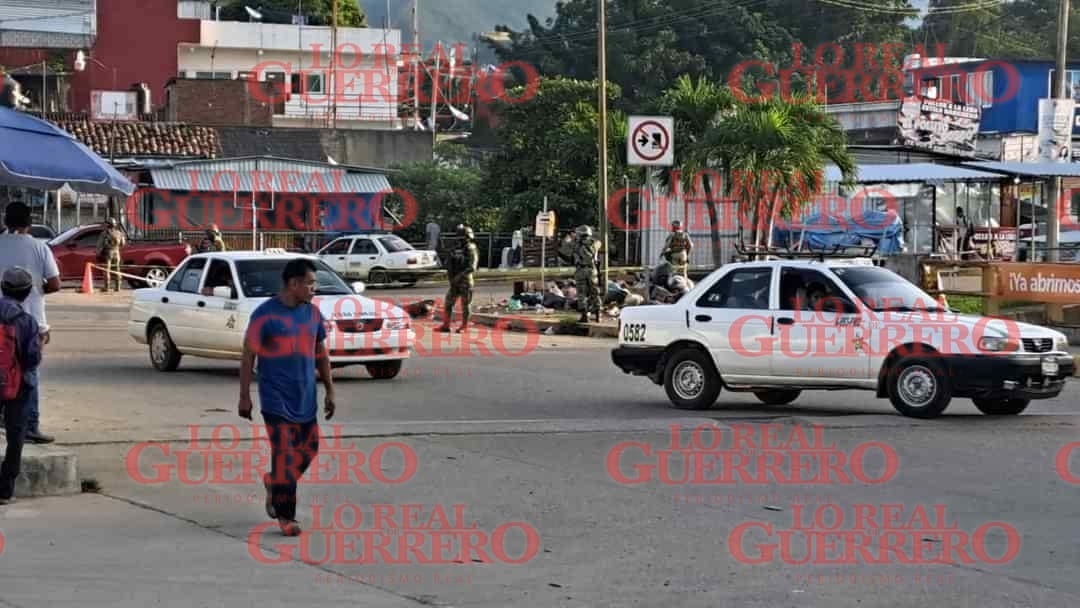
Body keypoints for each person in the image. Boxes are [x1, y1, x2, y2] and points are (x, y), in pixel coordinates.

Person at [238, 258, 336, 536]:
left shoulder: (313, 314)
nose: (314, 288)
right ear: (293, 284)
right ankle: (286, 517)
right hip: (275, 398)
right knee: (284, 454)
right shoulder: (264, 315)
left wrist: (330, 389)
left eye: (314, 283)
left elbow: (321, 354)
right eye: (310, 283)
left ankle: (275, 484)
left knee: (309, 450)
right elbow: (248, 356)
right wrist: (244, 396)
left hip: (305, 397)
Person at [0, 202, 59, 443]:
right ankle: (30, 426)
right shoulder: (39, 247)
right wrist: (36, 291)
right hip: (32, 321)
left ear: (6, 221)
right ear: (29, 222)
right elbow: (55, 284)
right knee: (29, 373)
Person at [0, 267, 44, 505]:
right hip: (18, 386)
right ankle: (4, 490)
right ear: (26, 293)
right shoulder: (27, 322)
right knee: (16, 436)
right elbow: (32, 359)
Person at [439, 224, 479, 333]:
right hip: (454, 282)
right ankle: (446, 325)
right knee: (448, 303)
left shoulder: (471, 248)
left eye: (462, 236)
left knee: (465, 305)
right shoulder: (456, 248)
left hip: (465, 282)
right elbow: (450, 262)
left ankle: (464, 327)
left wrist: (459, 276)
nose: (460, 239)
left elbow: (472, 267)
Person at [571, 225, 602, 323]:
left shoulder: (577, 245)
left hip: (581, 270)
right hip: (592, 270)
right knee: (595, 292)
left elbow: (571, 257)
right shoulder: (594, 244)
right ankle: (598, 315)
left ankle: (585, 316)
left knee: (581, 294)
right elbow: (599, 244)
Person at [95, 217, 126, 292]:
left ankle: (107, 287)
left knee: (107, 271)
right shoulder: (119, 233)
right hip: (117, 253)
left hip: (108, 253)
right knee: (117, 270)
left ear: (108, 224)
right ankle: (118, 287)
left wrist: (98, 253)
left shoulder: (105, 233)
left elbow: (100, 244)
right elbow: (123, 244)